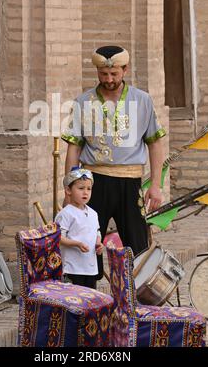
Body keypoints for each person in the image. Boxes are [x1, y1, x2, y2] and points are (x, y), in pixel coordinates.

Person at [61, 45, 166, 278]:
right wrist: (70, 188)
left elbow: (154, 144)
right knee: (86, 242)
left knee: (137, 245)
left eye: (114, 74)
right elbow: (74, 146)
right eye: (103, 74)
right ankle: (87, 302)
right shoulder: (83, 102)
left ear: (125, 70)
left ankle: (137, 303)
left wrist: (156, 186)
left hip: (130, 183)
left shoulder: (143, 100)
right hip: (92, 182)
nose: (108, 79)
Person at [55, 167, 103, 289]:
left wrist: (98, 243)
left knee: (89, 299)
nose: (85, 192)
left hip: (90, 267)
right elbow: (59, 237)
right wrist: (77, 244)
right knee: (74, 300)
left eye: (89, 189)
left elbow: (97, 231)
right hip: (72, 267)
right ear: (68, 190)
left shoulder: (93, 213)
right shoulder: (66, 214)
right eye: (81, 188)